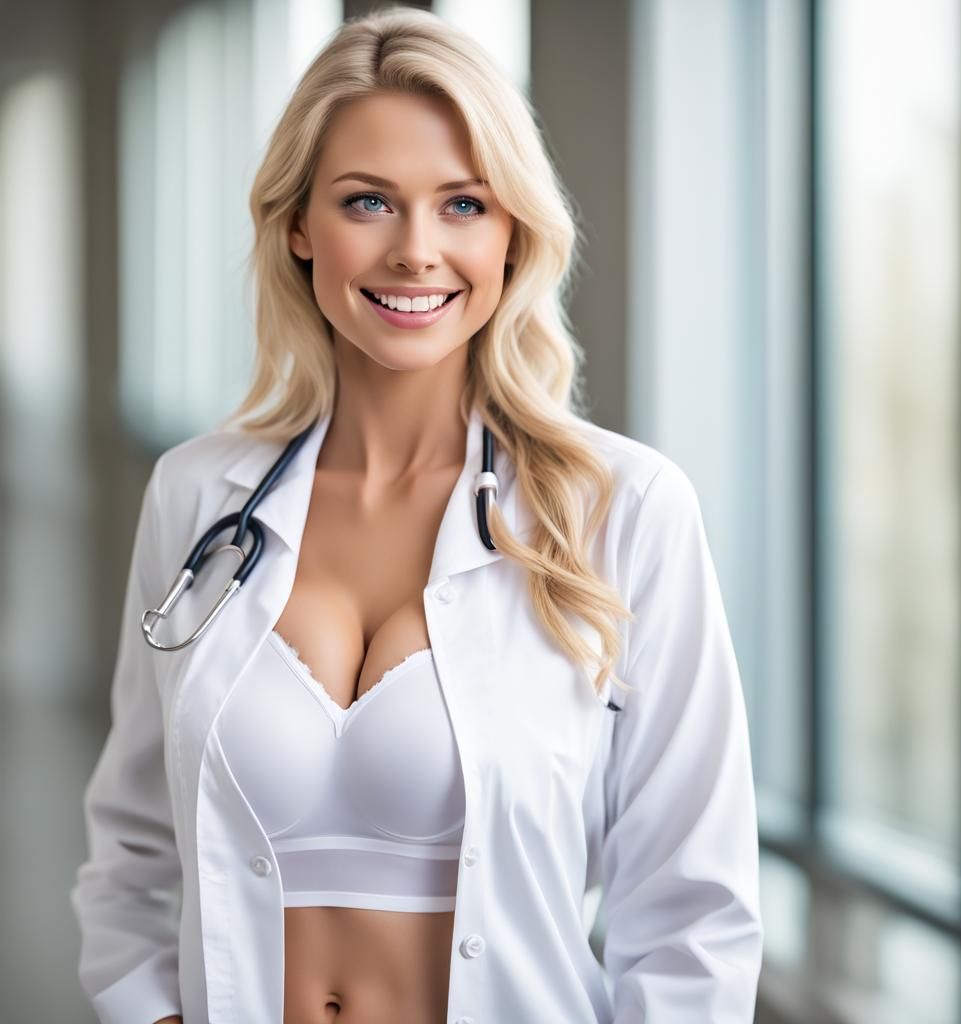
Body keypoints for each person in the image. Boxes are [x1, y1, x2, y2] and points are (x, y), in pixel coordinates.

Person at [70, 7, 763, 1023]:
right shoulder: (197, 495)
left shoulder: (625, 511)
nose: (415, 251)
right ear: (297, 225)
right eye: (368, 202)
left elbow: (693, 913)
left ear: (512, 232)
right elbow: (131, 846)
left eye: (463, 205)